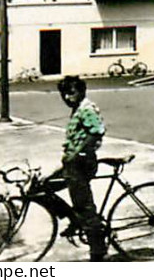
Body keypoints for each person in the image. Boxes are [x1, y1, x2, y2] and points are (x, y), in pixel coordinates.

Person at [30, 76, 107, 260]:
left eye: (71, 93)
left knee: (84, 207)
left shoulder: (86, 109)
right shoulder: (77, 109)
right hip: (72, 164)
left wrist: (78, 152)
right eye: (63, 94)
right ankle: (74, 220)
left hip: (81, 164)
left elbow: (97, 132)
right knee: (41, 188)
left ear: (81, 91)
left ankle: (98, 250)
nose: (67, 97)